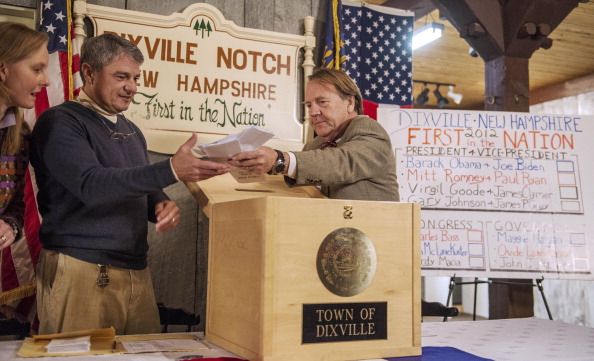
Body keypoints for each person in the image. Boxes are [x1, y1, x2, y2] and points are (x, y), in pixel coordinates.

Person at [30, 33, 229, 335]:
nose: (132, 87)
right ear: (88, 73)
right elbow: (91, 185)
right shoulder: (61, 122)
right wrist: (172, 169)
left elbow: (137, 184)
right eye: (121, 76)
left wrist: (160, 203)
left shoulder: (133, 131)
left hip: (137, 273)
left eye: (136, 78)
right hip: (81, 270)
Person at [230, 67, 399, 202]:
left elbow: (339, 163)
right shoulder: (314, 145)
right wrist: (254, 162)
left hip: (372, 241)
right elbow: (299, 176)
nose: (313, 112)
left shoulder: (371, 132)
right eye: (309, 105)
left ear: (349, 102)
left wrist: (279, 160)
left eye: (322, 102)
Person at [0, 22, 48, 251]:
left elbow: (15, 206)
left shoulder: (20, 134)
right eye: (37, 69)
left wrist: (10, 227)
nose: (45, 80)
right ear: (3, 70)